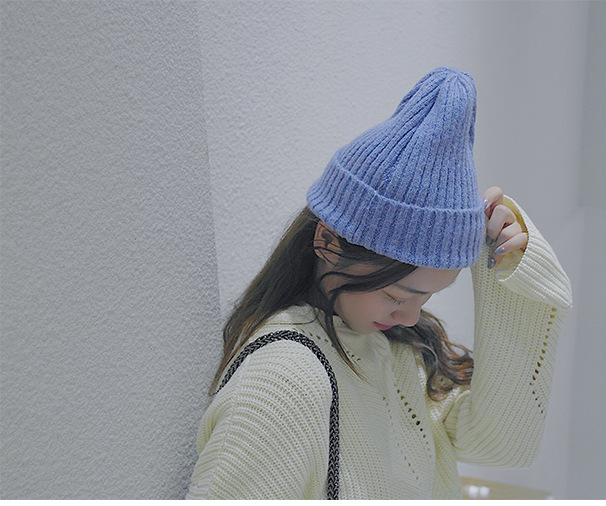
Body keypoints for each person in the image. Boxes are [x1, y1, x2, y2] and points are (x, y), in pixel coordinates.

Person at [186, 67, 572, 500]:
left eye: (427, 296)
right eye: (395, 294)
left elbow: (503, 445)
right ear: (328, 242)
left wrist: (504, 272)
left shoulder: (394, 349)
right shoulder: (284, 383)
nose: (410, 316)